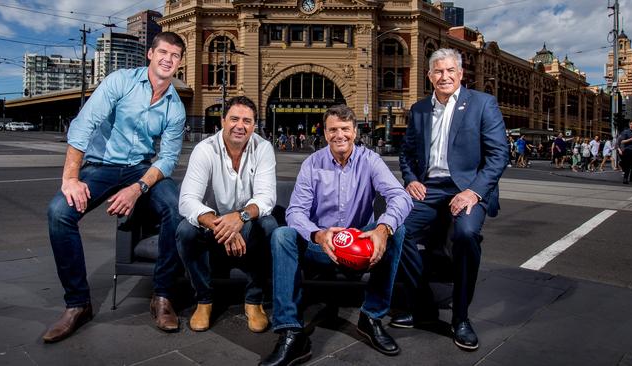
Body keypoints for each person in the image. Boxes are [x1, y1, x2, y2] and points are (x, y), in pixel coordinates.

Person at [43, 32, 187, 342]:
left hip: (140, 169)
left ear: (179, 63)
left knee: (177, 208)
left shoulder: (175, 108)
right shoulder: (120, 81)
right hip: (101, 167)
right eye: (162, 52)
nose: (167, 59)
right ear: (150, 54)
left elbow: (168, 159)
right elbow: (84, 125)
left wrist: (137, 188)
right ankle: (78, 304)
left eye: (174, 55)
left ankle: (162, 296)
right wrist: (71, 178)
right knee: (58, 212)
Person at [260, 105, 412, 365]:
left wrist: (382, 228)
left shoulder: (370, 160)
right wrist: (318, 235)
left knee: (397, 230)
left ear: (355, 132)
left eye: (345, 129)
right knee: (282, 235)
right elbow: (295, 211)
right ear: (325, 132)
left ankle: (371, 317)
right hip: (322, 245)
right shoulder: (313, 163)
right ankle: (291, 332)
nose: (339, 135)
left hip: (360, 247)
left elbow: (400, 196)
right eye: (333, 129)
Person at [394, 48, 508, 351]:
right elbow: (406, 153)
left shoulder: (482, 104)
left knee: (466, 234)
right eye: (438, 71)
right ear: (430, 76)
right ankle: (424, 305)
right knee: (395, 229)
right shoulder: (418, 109)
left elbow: (499, 155)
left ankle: (460, 318)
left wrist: (474, 192)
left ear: (460, 74)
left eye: (450, 71)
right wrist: (412, 179)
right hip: (429, 187)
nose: (444, 76)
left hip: (468, 187)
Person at [176, 96, 278, 333]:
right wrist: (222, 225)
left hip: (247, 226)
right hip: (211, 228)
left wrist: (239, 218)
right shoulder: (205, 150)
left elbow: (266, 199)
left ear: (254, 125)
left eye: (247, 121)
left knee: (269, 225)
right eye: (234, 119)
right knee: (184, 230)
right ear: (223, 121)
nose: (239, 126)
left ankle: (254, 301)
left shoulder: (263, 148)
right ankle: (204, 300)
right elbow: (187, 200)